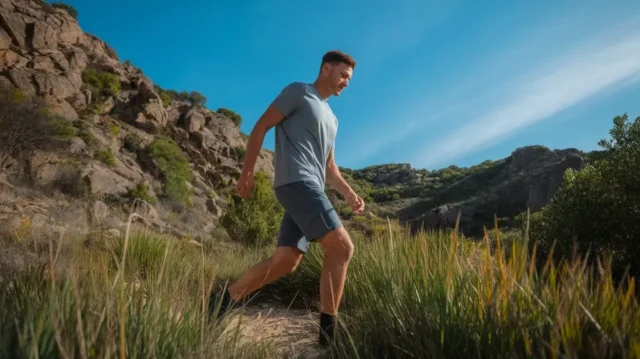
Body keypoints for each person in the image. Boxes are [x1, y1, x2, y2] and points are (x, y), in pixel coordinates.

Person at [208, 50, 365, 347]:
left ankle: (223, 301)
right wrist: (248, 172)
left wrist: (348, 193)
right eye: (343, 75)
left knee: (286, 262)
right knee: (343, 248)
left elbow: (329, 167)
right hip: (297, 183)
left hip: (312, 187)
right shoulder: (299, 92)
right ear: (326, 68)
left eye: (349, 78)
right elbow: (261, 126)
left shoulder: (332, 118)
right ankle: (327, 338)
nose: (346, 82)